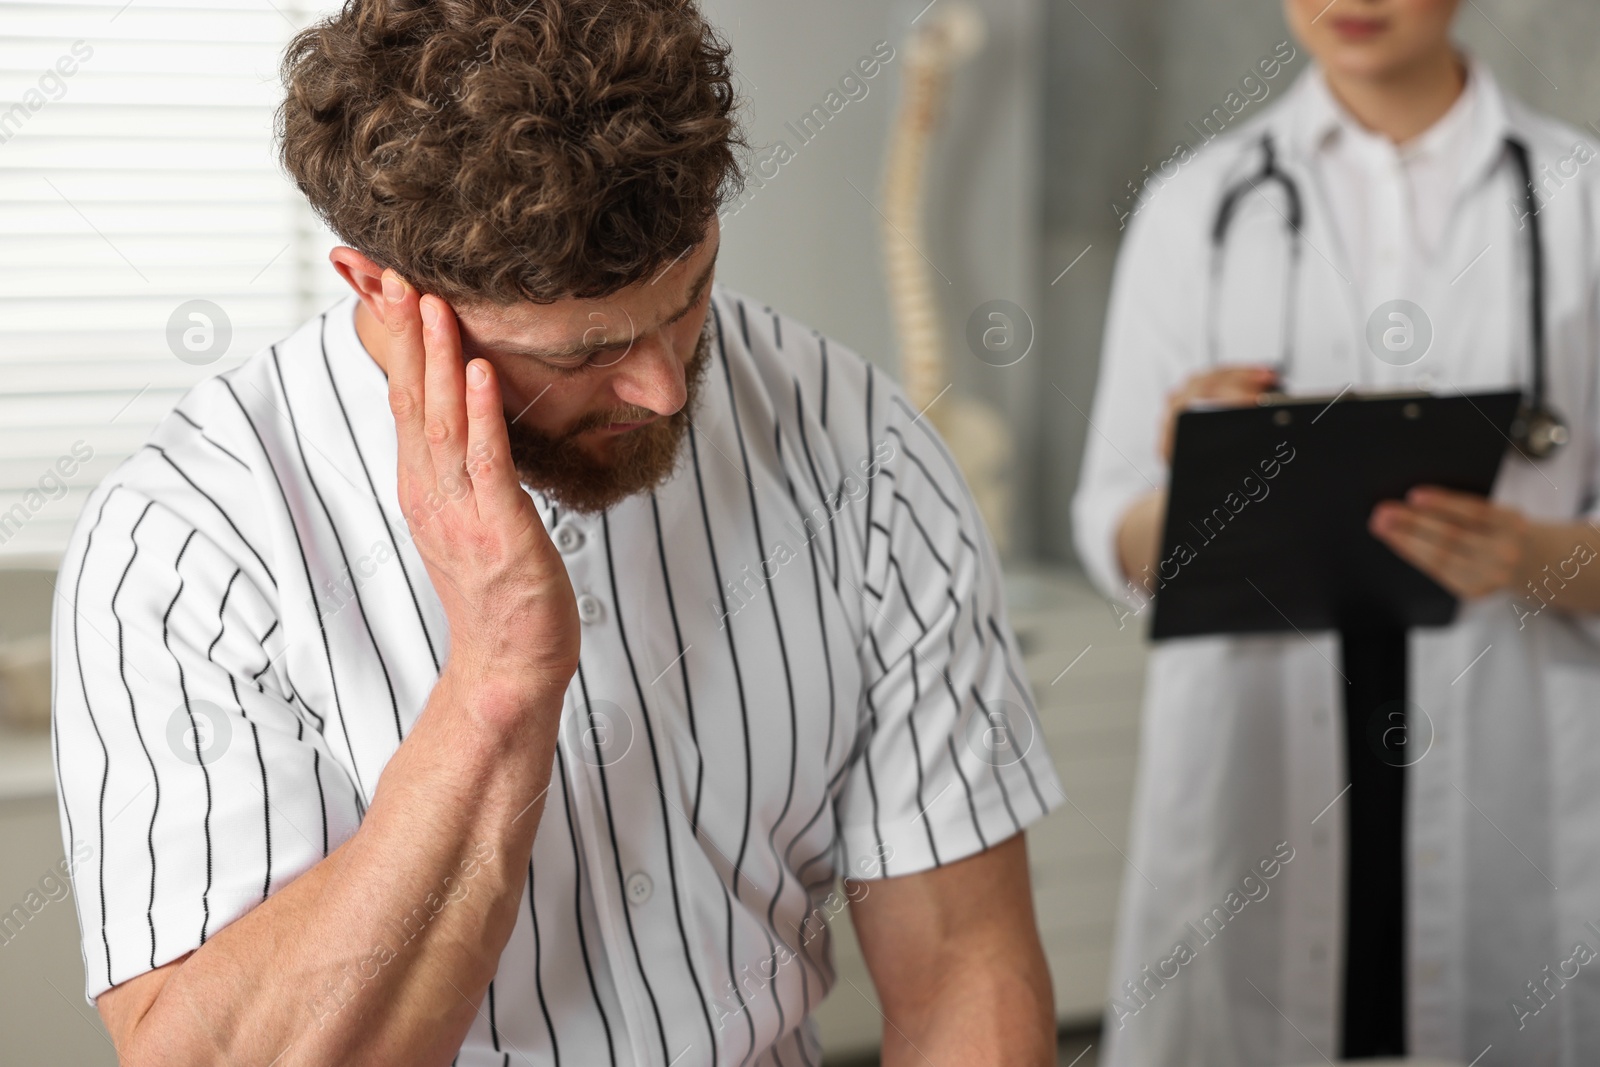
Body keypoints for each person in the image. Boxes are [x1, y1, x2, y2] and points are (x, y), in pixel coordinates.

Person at [50, 2, 1063, 1064]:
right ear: (382, 292)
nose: (665, 390)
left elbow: (965, 971)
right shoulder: (185, 548)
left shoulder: (858, 447)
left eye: (689, 297)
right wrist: (497, 684)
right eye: (582, 354)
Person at [1073, 0, 1600, 1064]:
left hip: (1505, 753)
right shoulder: (1196, 207)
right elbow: (1115, 531)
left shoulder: (1584, 199)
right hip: (1261, 770)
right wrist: (1194, 468)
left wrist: (1536, 556)